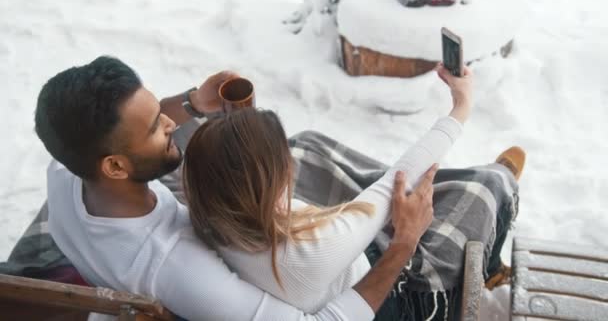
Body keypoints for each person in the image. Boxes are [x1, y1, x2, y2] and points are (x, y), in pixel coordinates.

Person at [34, 55, 436, 320]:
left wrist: (194, 101)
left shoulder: (67, 169)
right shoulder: (177, 267)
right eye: (158, 125)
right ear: (117, 166)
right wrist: (404, 242)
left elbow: (131, 133)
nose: (174, 123)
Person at [181, 65, 524, 319]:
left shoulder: (205, 213)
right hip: (390, 296)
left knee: (310, 145)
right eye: (283, 158)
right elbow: (397, 179)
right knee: (484, 192)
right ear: (271, 180)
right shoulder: (314, 250)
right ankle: (490, 264)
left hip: (325, 265)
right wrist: (461, 106)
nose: (289, 162)